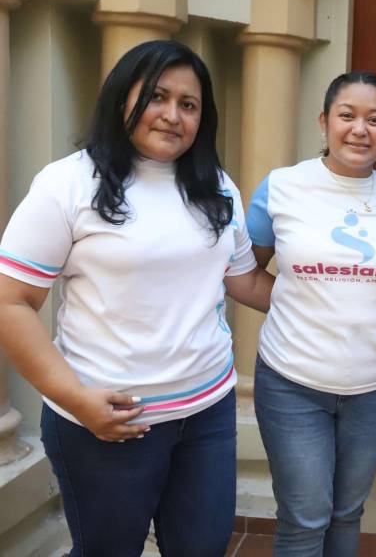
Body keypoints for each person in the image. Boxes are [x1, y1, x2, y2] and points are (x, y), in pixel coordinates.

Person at [0, 40, 273, 557]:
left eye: (188, 105)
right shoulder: (69, 184)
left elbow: (244, 282)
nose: (172, 115)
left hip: (206, 412)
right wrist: (78, 400)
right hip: (110, 424)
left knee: (202, 548)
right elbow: (10, 303)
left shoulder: (216, 186)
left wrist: (341, 294)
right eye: (156, 96)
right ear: (122, 99)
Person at [246, 71, 376, 556]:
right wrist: (303, 303)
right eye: (347, 116)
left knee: (346, 513)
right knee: (305, 518)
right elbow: (243, 273)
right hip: (293, 383)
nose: (360, 129)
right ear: (324, 121)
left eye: (375, 120)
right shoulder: (282, 188)